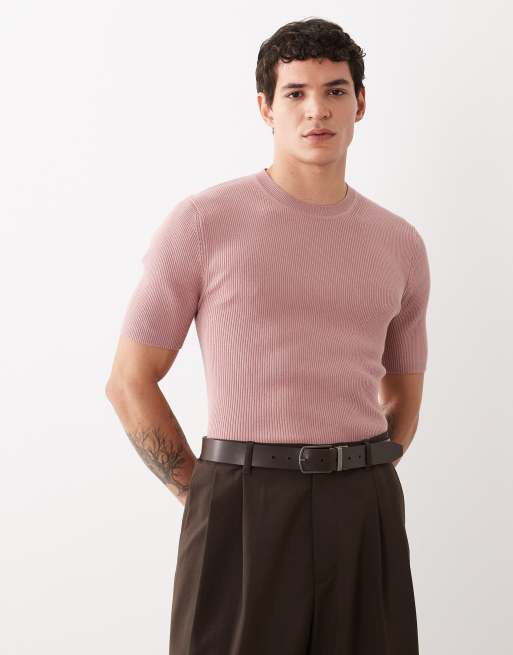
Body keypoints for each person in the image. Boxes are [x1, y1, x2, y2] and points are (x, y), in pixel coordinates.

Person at [106, 17, 430, 655]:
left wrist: (357, 477)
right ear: (266, 107)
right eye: (296, 92)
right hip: (240, 502)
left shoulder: (400, 242)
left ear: (361, 103)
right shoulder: (203, 223)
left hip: (363, 505)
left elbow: (404, 394)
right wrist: (202, 492)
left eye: (335, 91)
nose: (317, 110)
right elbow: (128, 380)